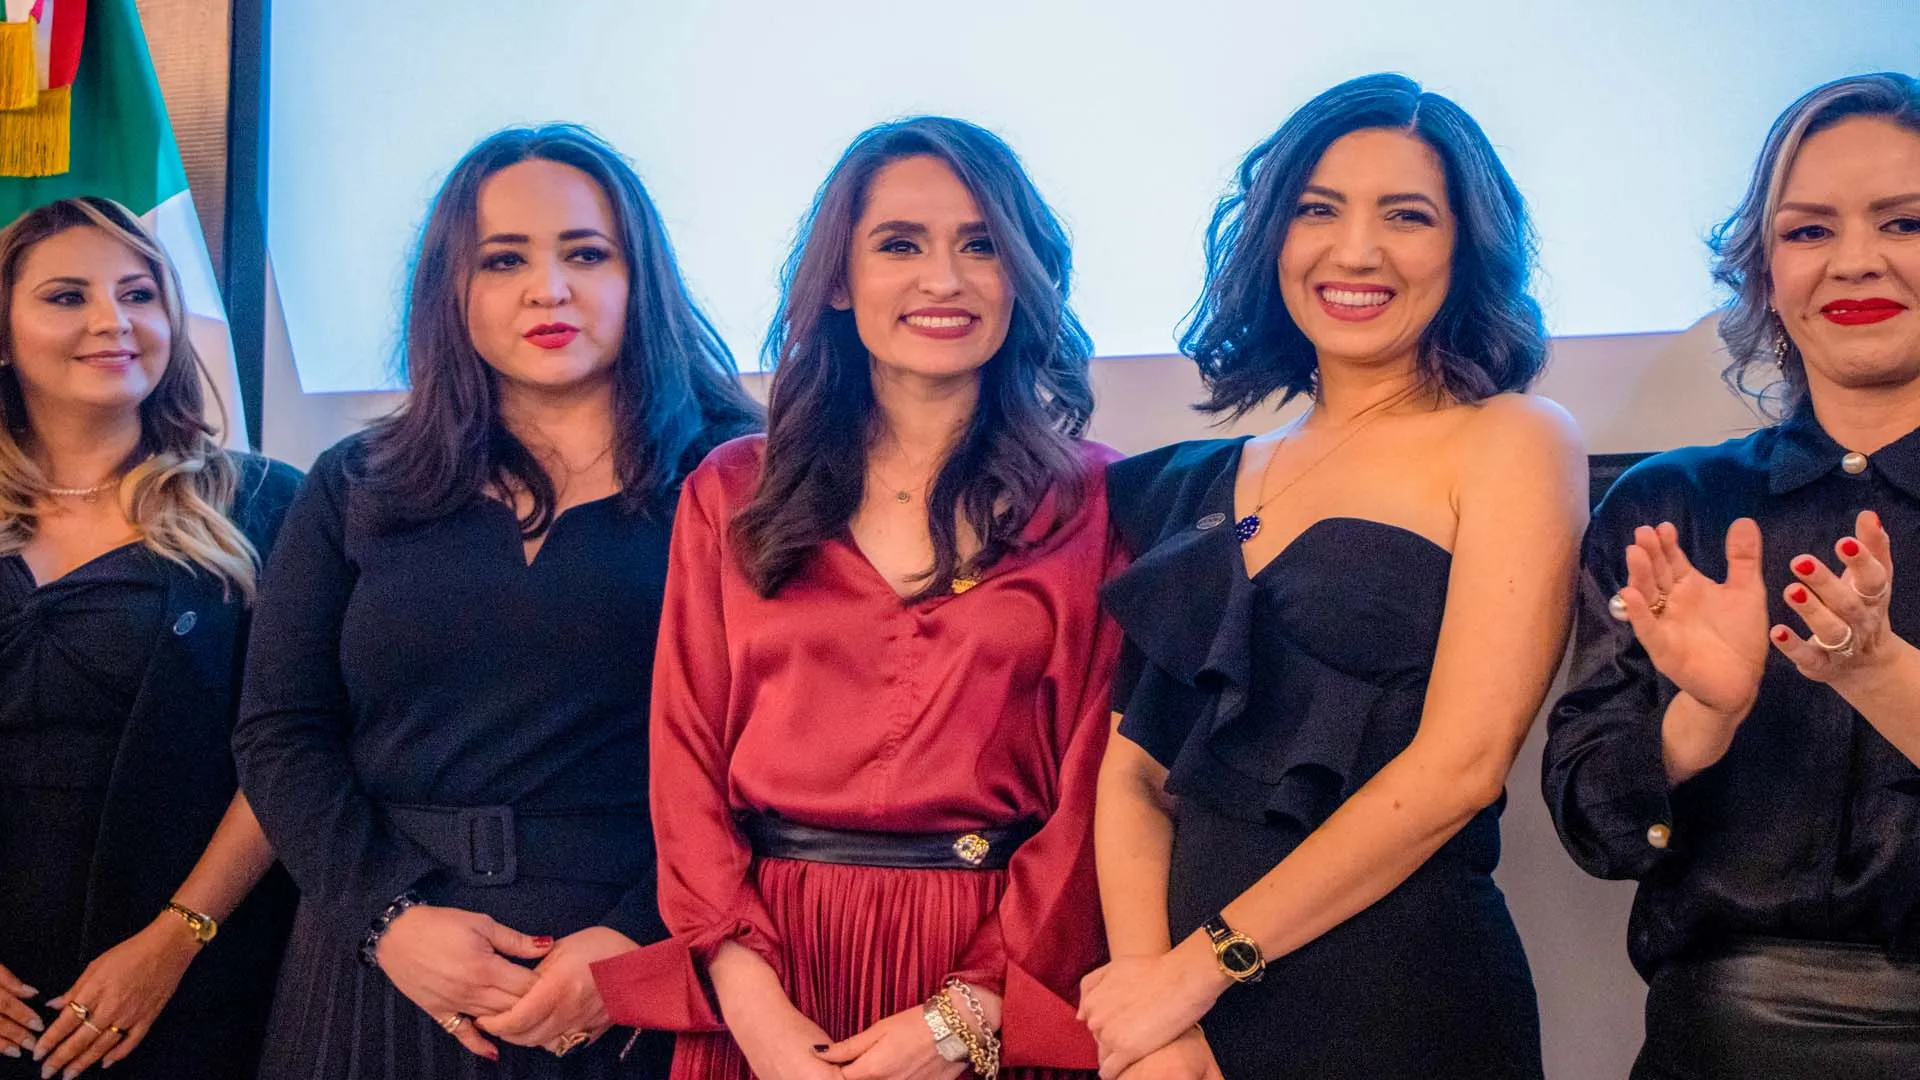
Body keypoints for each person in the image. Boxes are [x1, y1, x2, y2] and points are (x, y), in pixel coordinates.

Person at [589, 115, 1120, 1080]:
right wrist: (750, 1005)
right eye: (900, 244)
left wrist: (968, 1017)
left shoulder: (1098, 503)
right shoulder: (731, 490)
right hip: (769, 967)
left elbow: (1094, 797)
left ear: (1024, 276)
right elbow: (685, 756)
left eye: (981, 245)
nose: (943, 279)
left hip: (989, 977)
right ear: (839, 279)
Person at [232, 124, 761, 1079]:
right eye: (503, 260)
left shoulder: (739, 481)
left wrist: (638, 938)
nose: (547, 289)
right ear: (451, 291)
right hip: (384, 964)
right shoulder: (357, 482)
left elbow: (776, 750)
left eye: (586, 254)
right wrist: (388, 919)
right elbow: (280, 731)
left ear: (641, 276)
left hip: (637, 969)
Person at [1082, 74, 1584, 1080]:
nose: (1356, 252)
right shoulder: (1211, 476)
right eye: (1318, 210)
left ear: (1465, 246)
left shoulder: (1512, 440)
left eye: (1406, 215)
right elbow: (1135, 770)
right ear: (1273, 237)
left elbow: (1460, 767)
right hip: (1184, 1029)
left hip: (1399, 1004)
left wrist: (1200, 970)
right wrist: (1153, 1017)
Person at [1543, 72, 1920, 1080]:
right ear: (1760, 271)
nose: (1856, 261)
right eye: (1806, 231)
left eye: (1905, 222)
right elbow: (1592, 818)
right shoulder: (1674, 504)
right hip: (1724, 1043)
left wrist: (1878, 669)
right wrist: (1700, 719)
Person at [0, 196, 299, 1080]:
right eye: (67, 297)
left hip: (183, 976)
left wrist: (177, 940)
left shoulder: (268, 505)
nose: (112, 321)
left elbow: (293, 747)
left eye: (139, 294)